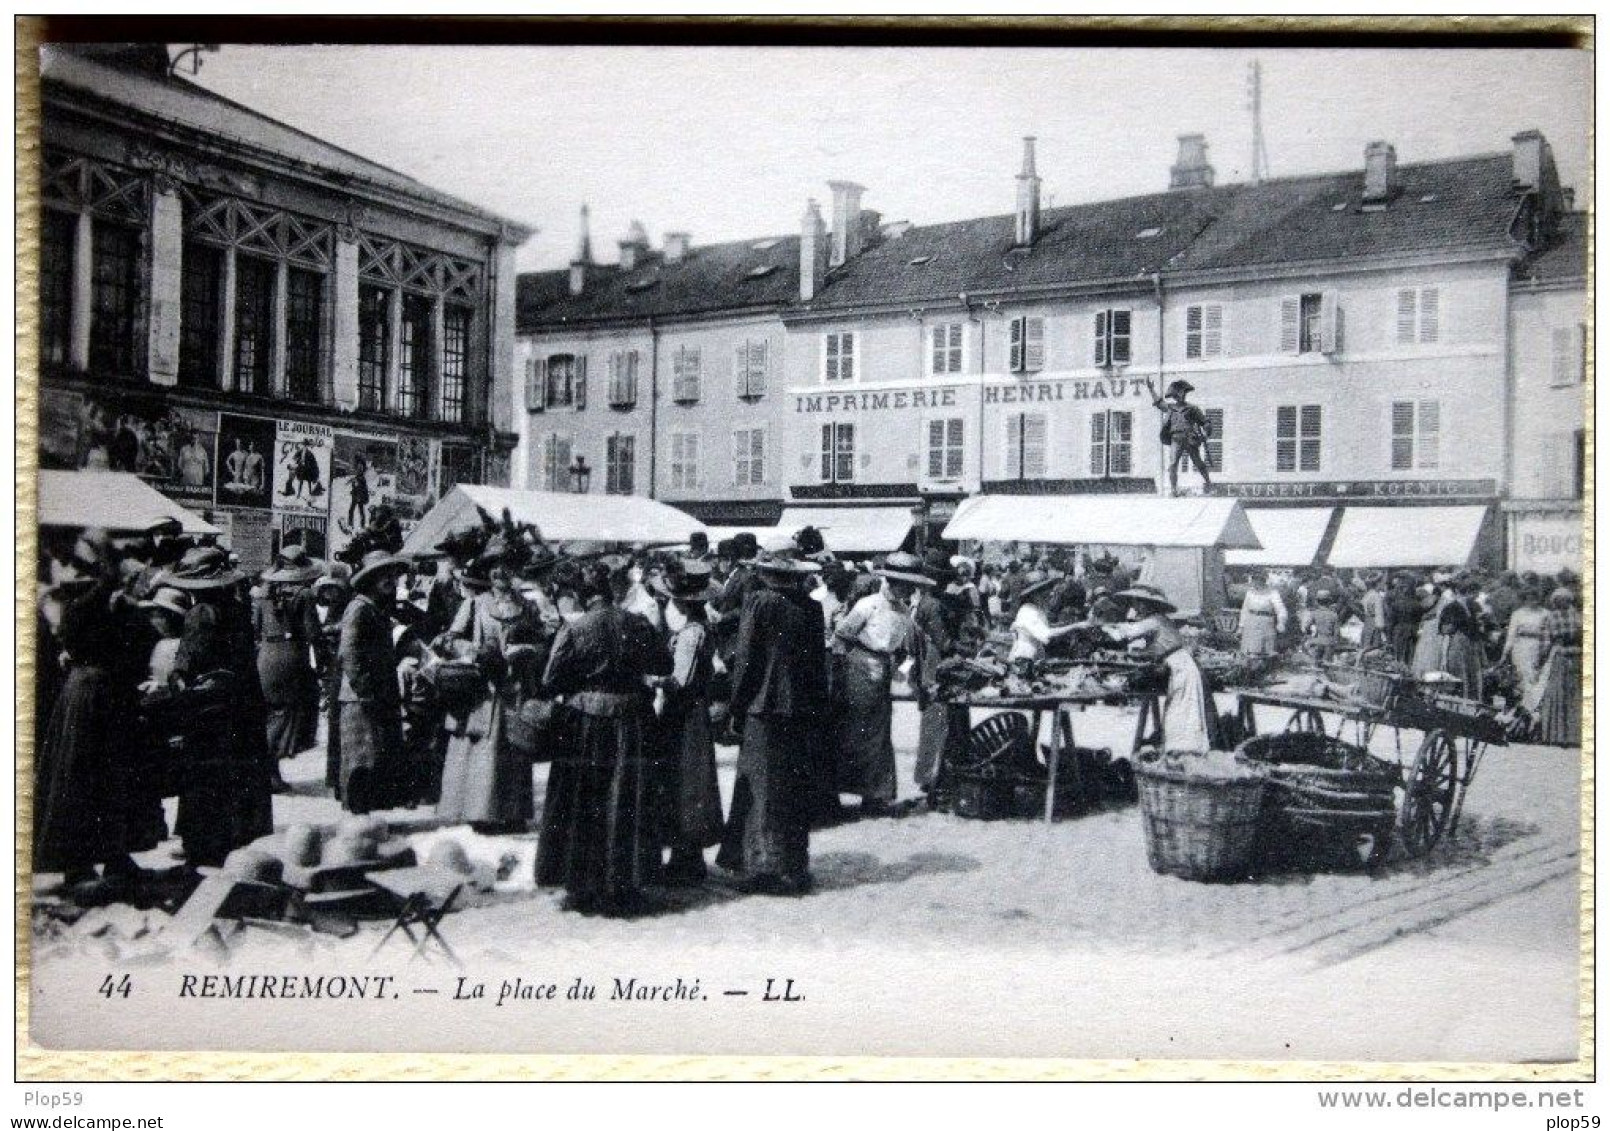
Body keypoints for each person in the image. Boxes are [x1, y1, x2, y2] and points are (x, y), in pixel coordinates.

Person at [34, 534, 167, 901]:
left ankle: (115, 855)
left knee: (114, 781)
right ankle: (77, 862)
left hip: (107, 698)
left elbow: (142, 643)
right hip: (92, 698)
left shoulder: (115, 610)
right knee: (83, 780)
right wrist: (111, 586)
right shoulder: (80, 612)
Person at [536, 562, 672, 916]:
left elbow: (551, 680)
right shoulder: (637, 624)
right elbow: (664, 664)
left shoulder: (576, 629)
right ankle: (625, 883)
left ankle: (584, 884)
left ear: (584, 594)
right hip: (632, 722)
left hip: (587, 723)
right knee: (628, 799)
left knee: (585, 802)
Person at [716, 545, 828, 895]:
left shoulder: (760, 603)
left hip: (763, 707)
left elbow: (748, 659)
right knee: (793, 786)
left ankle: (761, 866)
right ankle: (793, 864)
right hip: (800, 707)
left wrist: (735, 705)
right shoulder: (811, 607)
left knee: (760, 787)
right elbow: (817, 664)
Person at [167, 546, 275, 866]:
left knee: (205, 776)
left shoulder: (200, 614)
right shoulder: (238, 609)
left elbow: (187, 663)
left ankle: (202, 844)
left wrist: (176, 681)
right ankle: (234, 838)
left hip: (210, 708)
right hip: (242, 703)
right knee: (238, 773)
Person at [438, 540, 547, 829]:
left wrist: (529, 652)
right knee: (484, 752)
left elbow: (542, 643)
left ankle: (512, 814)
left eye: (507, 565)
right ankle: (482, 814)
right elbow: (450, 640)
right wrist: (475, 652)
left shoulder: (528, 606)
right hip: (483, 692)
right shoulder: (475, 604)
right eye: (495, 566)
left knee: (514, 750)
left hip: (516, 690)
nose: (501, 571)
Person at [834, 550, 931, 816]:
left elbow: (905, 650)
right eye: (907, 585)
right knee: (854, 733)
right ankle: (846, 792)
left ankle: (875, 794)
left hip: (882, 674)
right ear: (893, 582)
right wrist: (843, 675)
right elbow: (841, 637)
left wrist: (905, 671)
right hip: (859, 671)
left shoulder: (903, 613)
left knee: (878, 735)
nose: (910, 591)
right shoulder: (868, 605)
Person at [650, 562, 726, 884]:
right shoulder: (699, 625)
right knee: (688, 780)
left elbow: (678, 679)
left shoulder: (692, 632)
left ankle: (687, 856)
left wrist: (650, 680)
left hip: (685, 713)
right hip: (692, 710)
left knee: (685, 779)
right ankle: (686, 853)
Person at [1093, 585, 1217, 753]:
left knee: (1183, 712)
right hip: (1178, 665)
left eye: (1138, 604)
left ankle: (1183, 752)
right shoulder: (1159, 620)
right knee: (1180, 711)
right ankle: (1176, 749)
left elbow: (1126, 633)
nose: (1135, 607)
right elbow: (1150, 646)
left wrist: (1102, 626)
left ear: (1147, 605)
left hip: (1180, 667)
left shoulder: (1154, 621)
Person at [338, 550, 412, 813]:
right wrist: (366, 690)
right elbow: (349, 653)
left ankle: (366, 817)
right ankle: (358, 820)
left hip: (377, 693)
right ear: (371, 579)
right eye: (384, 575)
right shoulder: (358, 609)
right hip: (361, 697)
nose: (391, 580)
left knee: (376, 756)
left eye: (393, 575)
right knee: (361, 758)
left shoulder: (375, 609)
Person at [254, 547, 323, 789]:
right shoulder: (303, 595)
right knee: (286, 715)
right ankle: (269, 771)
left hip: (266, 656)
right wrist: (324, 662)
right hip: (292, 657)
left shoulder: (262, 594)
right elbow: (313, 632)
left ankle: (270, 772)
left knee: (270, 715)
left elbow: (256, 628)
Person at [912, 557, 972, 808]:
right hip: (937, 667)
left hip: (934, 666)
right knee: (940, 724)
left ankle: (940, 778)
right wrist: (967, 648)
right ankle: (934, 781)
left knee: (943, 723)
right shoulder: (933, 605)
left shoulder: (932, 602)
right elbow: (944, 641)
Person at [309, 564, 352, 796]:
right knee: (337, 722)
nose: (329, 593)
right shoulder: (339, 605)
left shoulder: (345, 605)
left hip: (340, 664)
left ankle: (338, 778)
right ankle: (336, 779)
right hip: (336, 666)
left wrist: (328, 631)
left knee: (339, 723)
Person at [1531, 588, 1582, 746]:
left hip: (1559, 657)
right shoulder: (1579, 617)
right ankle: (1575, 735)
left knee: (1557, 695)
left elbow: (1545, 644)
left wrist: (1538, 663)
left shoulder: (1550, 618)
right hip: (1577, 657)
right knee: (1575, 696)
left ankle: (1556, 735)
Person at [1008, 576, 1083, 665]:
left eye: (1047, 590)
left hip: (1034, 656)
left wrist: (1063, 625)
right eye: (1043, 592)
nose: (1049, 594)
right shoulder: (1028, 611)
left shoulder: (1036, 610)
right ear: (1034, 595)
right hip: (1024, 658)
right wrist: (1074, 626)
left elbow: (1044, 627)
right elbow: (1047, 633)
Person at [1438, 575, 1486, 701]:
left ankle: (1466, 701)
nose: (1474, 596)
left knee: (1467, 675)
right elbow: (1445, 629)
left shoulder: (1470, 606)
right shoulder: (1454, 607)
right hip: (1461, 643)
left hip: (1466, 644)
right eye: (1472, 593)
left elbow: (1445, 629)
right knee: (1463, 675)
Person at [1500, 585, 1550, 704]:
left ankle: (1530, 707)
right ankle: (1519, 707)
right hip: (1520, 647)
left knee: (1533, 678)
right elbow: (1511, 636)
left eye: (1535, 597)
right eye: (1529, 598)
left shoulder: (1545, 613)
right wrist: (1505, 654)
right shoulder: (1517, 614)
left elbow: (1547, 636)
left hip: (1536, 647)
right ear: (1525, 598)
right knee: (1519, 677)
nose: (1533, 601)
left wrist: (1544, 652)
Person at [1237, 571, 1288, 656]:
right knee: (1248, 652)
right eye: (1254, 579)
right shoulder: (1250, 592)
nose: (1256, 582)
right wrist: (1241, 626)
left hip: (1265, 623)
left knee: (1263, 653)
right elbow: (1245, 610)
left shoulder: (1272, 593)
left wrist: (1281, 622)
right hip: (1250, 623)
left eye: (1259, 579)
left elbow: (1281, 609)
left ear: (1264, 580)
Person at [1305, 590, 1342, 663]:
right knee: (1327, 663)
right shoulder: (1333, 615)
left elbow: (1306, 627)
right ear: (1329, 602)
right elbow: (1337, 633)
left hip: (1318, 641)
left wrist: (1309, 635)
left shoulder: (1315, 613)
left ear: (1318, 601)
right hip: (1329, 642)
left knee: (1316, 661)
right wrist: (1336, 642)